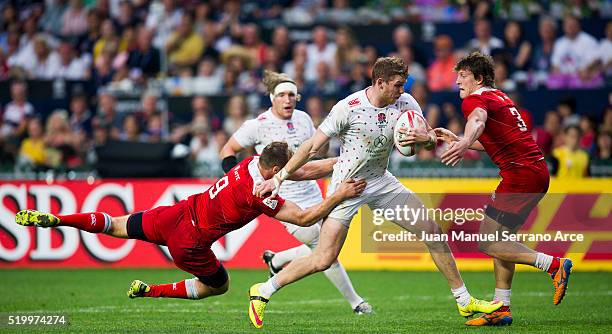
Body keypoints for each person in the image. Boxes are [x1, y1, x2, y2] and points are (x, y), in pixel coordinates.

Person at [247, 57, 502, 329]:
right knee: (323, 259)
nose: (402, 90)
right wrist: (280, 178)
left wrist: (424, 140)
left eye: (404, 85)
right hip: (347, 186)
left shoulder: (406, 103)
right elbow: (311, 147)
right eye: (397, 85)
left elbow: (429, 139)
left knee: (432, 231)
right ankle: (263, 290)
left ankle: (464, 301)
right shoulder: (348, 108)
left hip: (381, 182)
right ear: (380, 83)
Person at [15, 142, 366, 302]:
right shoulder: (262, 194)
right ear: (275, 170)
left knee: (115, 224)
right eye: (284, 170)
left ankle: (59, 219)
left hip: (176, 212)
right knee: (220, 285)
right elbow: (306, 215)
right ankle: (150, 291)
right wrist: (339, 195)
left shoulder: (247, 163)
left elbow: (299, 172)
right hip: (190, 241)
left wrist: (343, 160)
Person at [435, 52, 573, 326]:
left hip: (520, 175)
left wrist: (464, 142)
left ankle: (553, 264)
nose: (458, 82)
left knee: (488, 241)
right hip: (532, 171)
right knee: (501, 240)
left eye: (463, 76)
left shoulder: (476, 100)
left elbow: (477, 121)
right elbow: (494, 140)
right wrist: (462, 140)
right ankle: (502, 307)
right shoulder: (499, 96)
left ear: (479, 78)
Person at [220, 70, 372, 314]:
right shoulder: (257, 126)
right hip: (283, 197)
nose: (288, 99)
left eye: (292, 95)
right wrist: (242, 182)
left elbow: (312, 156)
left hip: (312, 190)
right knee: (326, 251)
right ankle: (357, 303)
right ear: (272, 98)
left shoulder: (302, 118)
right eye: (282, 95)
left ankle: (277, 260)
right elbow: (227, 150)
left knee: (326, 244)